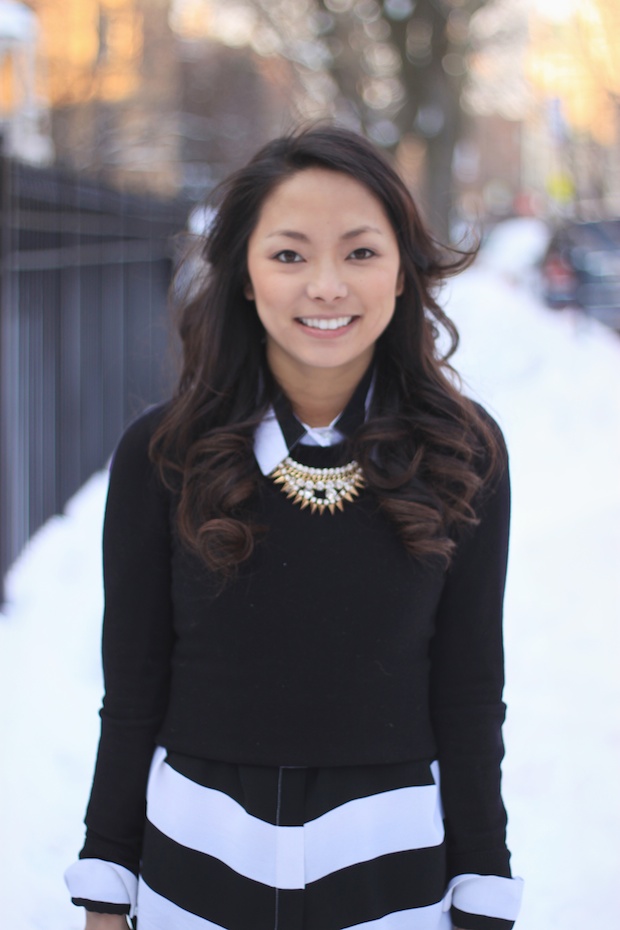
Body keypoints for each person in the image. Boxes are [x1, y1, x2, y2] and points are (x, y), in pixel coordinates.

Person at [65, 125, 523, 930]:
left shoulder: (464, 452)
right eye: (288, 255)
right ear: (242, 274)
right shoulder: (161, 453)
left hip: (389, 871)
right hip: (195, 865)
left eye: (359, 253)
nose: (325, 286)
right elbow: (132, 688)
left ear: (404, 271)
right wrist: (106, 878)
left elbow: (471, 688)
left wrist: (484, 882)